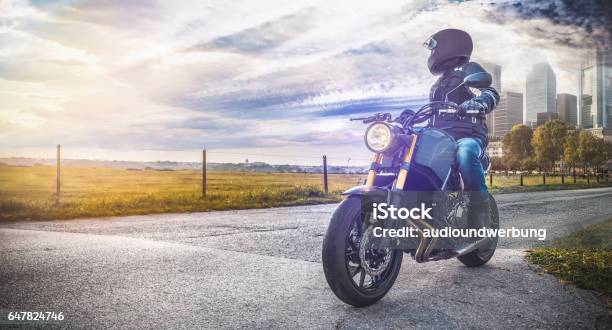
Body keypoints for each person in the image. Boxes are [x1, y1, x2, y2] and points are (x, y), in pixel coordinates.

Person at [423, 28, 500, 231]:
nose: (431, 54)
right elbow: (432, 114)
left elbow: (489, 92)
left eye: (433, 47)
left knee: (465, 153)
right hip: (440, 139)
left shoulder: (468, 70)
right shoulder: (438, 84)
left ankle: (479, 216)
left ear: (450, 44)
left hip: (468, 136)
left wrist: (478, 103)